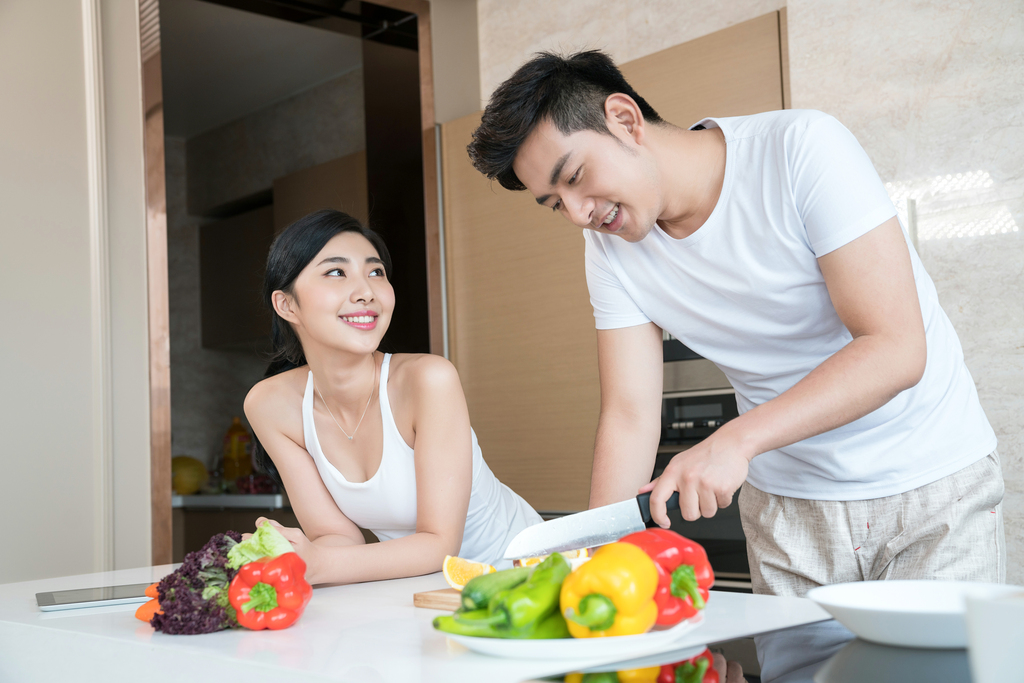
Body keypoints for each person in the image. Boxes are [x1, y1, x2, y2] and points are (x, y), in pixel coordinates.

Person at [467, 50, 1004, 604]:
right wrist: (601, 566)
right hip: (788, 511)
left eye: (576, 177)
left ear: (625, 120)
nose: (579, 213)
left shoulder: (801, 148)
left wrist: (735, 442)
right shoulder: (607, 249)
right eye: (556, 203)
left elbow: (894, 347)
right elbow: (629, 415)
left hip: (929, 485)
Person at [243, 209, 542, 585]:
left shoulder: (428, 380)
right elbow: (336, 537)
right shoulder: (270, 406)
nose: (366, 291)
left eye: (376, 272)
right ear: (287, 305)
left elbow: (439, 545)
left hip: (526, 573)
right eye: (336, 272)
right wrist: (295, 552)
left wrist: (317, 564)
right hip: (423, 588)